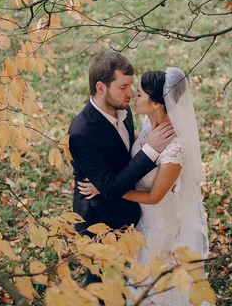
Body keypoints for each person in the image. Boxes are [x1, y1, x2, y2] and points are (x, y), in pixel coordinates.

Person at [78, 67, 210, 305]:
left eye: (138, 93)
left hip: (160, 225)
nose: (132, 97)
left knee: (151, 285)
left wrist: (105, 188)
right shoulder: (149, 123)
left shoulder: (175, 147)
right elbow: (136, 143)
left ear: (158, 103)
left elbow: (153, 197)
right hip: (141, 220)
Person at [69, 52, 176, 287]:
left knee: (122, 280)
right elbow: (109, 188)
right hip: (99, 220)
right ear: (101, 87)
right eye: (124, 86)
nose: (131, 94)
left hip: (127, 215)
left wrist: (147, 138)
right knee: (101, 284)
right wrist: (151, 149)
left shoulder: (122, 109)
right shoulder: (82, 133)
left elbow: (123, 144)